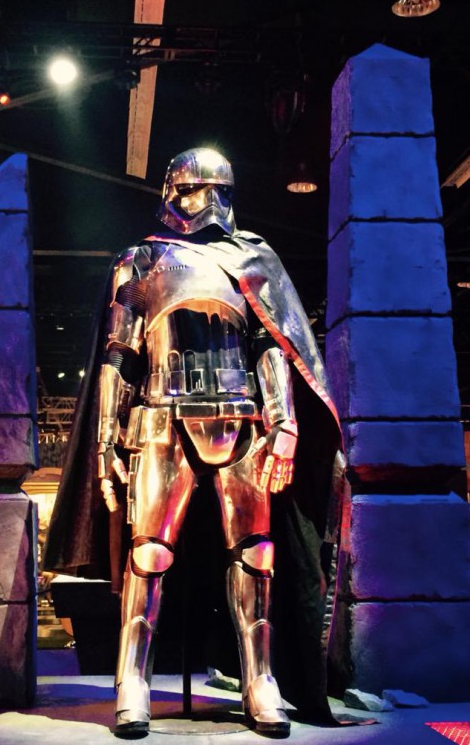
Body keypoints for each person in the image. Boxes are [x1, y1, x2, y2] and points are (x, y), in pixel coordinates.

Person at [43, 147, 345, 737]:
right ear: (172, 193)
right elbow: (118, 356)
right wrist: (105, 440)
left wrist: (285, 423)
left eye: (215, 190)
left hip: (243, 420)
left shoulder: (251, 257)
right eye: (193, 190)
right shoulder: (141, 259)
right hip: (161, 418)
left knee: (257, 554)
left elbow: (272, 345)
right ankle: (132, 679)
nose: (204, 202)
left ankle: (261, 678)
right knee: (150, 554)